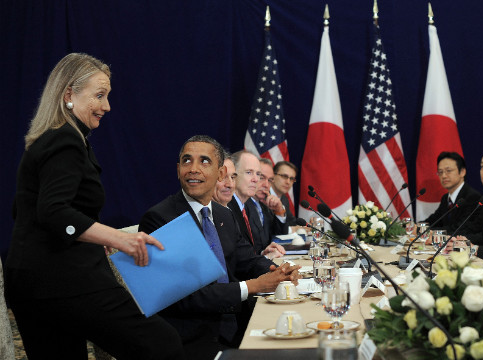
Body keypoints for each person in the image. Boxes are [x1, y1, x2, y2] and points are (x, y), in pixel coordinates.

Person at [5, 53, 184, 359]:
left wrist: (92, 237)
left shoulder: (51, 140)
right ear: (68, 95)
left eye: (108, 96)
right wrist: (119, 238)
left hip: (31, 283)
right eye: (99, 96)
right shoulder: (65, 141)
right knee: (161, 345)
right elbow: (53, 212)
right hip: (63, 281)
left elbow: (26, 213)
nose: (107, 106)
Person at [138, 135, 300, 359]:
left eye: (204, 161)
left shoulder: (223, 214)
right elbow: (185, 297)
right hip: (188, 339)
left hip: (233, 326)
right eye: (186, 161)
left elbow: (247, 259)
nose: (193, 169)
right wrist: (253, 286)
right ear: (178, 170)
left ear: (220, 173)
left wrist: (279, 272)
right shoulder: (161, 218)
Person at [228, 150, 287, 256]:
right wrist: (264, 259)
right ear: (233, 175)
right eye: (249, 172)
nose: (256, 179)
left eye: (258, 174)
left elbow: (279, 237)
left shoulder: (263, 205)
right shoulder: (227, 208)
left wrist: (263, 254)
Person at [424, 152, 481, 232]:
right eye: (440, 172)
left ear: (462, 172)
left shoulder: (472, 197)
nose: (444, 176)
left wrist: (426, 230)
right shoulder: (445, 198)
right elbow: (433, 221)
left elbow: (459, 229)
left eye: (448, 171)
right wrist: (417, 226)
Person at [272, 160, 299, 225]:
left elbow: (292, 222)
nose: (288, 182)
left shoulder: (284, 199)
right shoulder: (262, 197)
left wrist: (308, 225)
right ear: (273, 176)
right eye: (284, 176)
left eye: (291, 178)